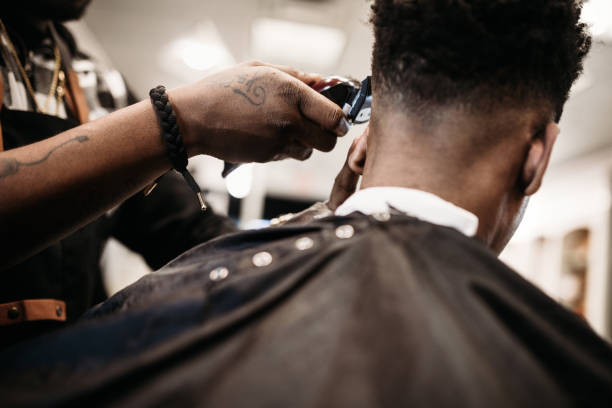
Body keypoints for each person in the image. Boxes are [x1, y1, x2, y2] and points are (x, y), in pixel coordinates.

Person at [2, 0, 612, 406]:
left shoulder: (90, 75)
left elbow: (189, 238)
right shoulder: (570, 371)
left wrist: (325, 220)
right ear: (538, 156)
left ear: (365, 137)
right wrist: (180, 121)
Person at [0, 1, 350, 345]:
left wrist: (318, 230)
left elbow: (189, 231)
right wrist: (186, 120)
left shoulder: (99, 85)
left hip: (56, 371)